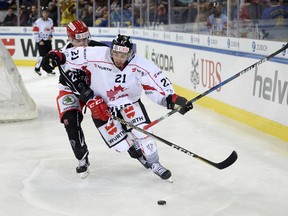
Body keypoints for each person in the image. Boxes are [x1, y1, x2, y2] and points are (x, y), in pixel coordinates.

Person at [42, 34, 193, 181]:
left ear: (130, 53)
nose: (119, 59)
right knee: (120, 146)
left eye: (123, 55)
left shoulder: (141, 65)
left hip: (129, 103)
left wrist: (174, 100)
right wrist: (55, 56)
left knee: (145, 132)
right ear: (111, 50)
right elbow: (69, 55)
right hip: (101, 106)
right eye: (116, 54)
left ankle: (155, 164)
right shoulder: (98, 53)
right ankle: (133, 144)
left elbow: (155, 88)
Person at [42, 20, 108, 179]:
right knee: (70, 120)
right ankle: (81, 157)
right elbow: (75, 84)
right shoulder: (64, 56)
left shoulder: (100, 49)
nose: (84, 44)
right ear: (70, 39)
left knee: (109, 117)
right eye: (79, 40)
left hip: (95, 89)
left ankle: (135, 149)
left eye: (86, 39)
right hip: (71, 90)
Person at [32, 6, 54, 76]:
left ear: (48, 13)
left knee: (48, 55)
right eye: (43, 12)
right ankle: (37, 68)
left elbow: (51, 29)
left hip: (47, 40)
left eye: (46, 12)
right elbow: (35, 32)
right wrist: (39, 40)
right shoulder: (38, 22)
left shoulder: (50, 21)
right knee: (42, 55)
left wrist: (51, 35)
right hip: (40, 41)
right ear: (42, 13)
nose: (45, 14)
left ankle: (48, 70)